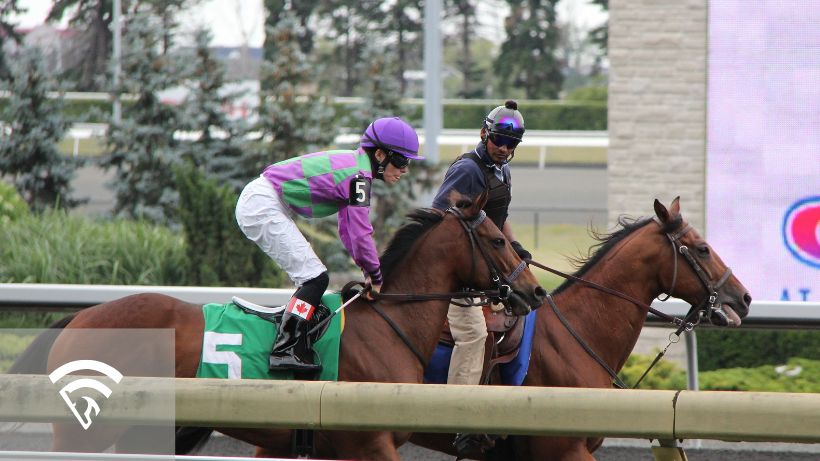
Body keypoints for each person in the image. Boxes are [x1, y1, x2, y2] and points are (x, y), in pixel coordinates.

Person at [236, 117, 423, 373]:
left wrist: (368, 271)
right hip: (262, 204)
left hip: (265, 201)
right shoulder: (358, 176)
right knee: (315, 279)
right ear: (380, 154)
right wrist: (376, 274)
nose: (404, 170)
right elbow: (359, 233)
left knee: (314, 277)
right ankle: (285, 348)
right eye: (401, 161)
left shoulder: (357, 170)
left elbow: (348, 230)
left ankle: (291, 342)